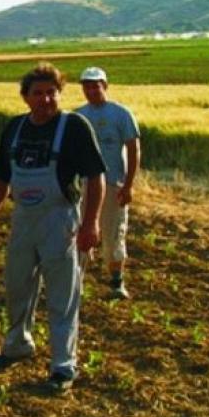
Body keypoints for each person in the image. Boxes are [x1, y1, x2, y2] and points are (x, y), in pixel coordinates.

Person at [0, 62, 106, 393]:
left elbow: (96, 177)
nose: (47, 99)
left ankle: (63, 366)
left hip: (61, 218)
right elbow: (1, 177)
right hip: (23, 218)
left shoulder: (74, 126)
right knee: (17, 285)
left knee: (63, 296)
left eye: (52, 92)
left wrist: (90, 223)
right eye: (39, 93)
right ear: (25, 97)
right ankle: (17, 345)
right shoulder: (15, 129)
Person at [75, 67, 141, 300]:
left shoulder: (121, 114)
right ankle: (76, 283)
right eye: (87, 86)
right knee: (80, 231)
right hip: (84, 185)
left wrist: (129, 184)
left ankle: (116, 283)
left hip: (114, 184)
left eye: (96, 85)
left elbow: (133, 150)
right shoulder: (77, 116)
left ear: (105, 86)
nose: (92, 90)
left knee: (114, 233)